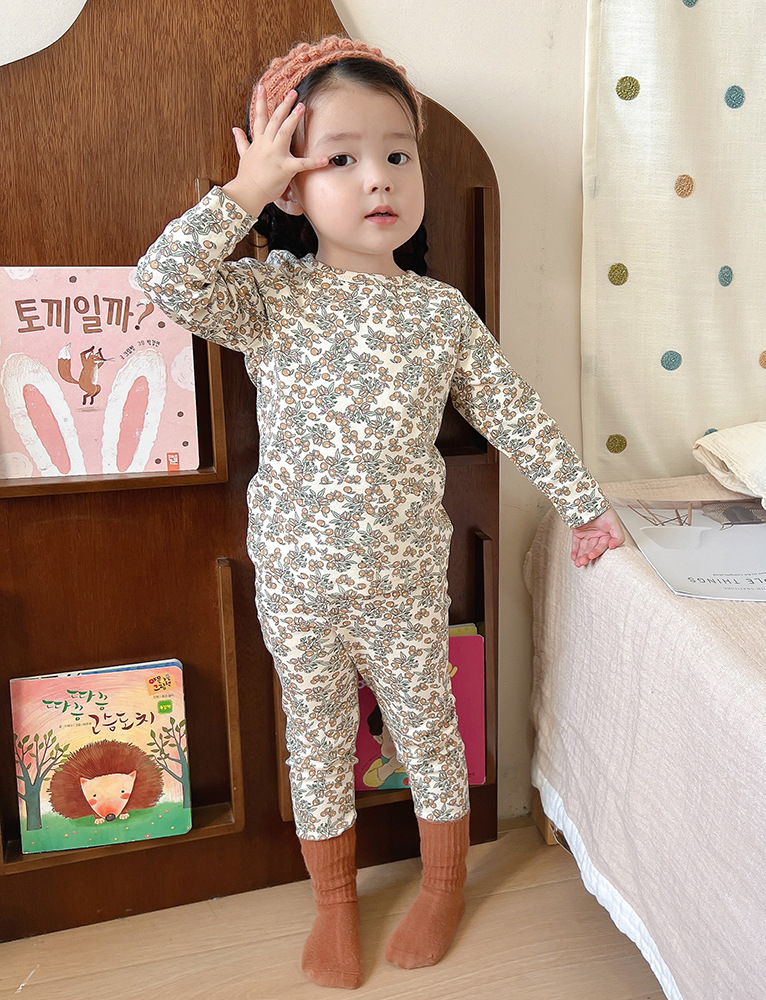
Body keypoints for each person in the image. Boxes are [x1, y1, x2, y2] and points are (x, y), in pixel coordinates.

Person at [136, 35, 625, 990]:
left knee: (429, 732)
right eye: (340, 158)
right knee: (316, 741)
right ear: (293, 185)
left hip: (403, 580)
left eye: (398, 154)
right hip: (297, 582)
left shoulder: (438, 314)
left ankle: (442, 885)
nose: (378, 179)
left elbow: (515, 414)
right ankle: (333, 903)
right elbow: (163, 280)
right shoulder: (271, 297)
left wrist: (584, 505)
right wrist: (246, 190)